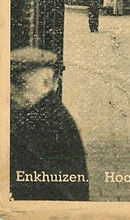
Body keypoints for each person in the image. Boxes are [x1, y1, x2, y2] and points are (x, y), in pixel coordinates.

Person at [10, 47, 89, 201]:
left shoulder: (49, 122)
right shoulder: (38, 112)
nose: (12, 91)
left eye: (20, 83)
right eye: (11, 82)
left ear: (46, 83)